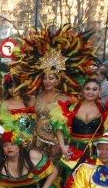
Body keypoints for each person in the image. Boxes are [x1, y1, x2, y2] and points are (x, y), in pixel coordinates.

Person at [9, 25, 97, 158]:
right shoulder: (36, 96)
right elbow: (31, 119)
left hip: (56, 144)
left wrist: (62, 144)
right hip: (36, 142)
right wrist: (22, 136)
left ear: (58, 80)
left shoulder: (65, 98)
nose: (47, 81)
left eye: (51, 78)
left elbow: (67, 124)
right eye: (45, 78)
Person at [54, 78, 107, 181]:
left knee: (92, 181)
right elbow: (58, 127)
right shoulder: (72, 107)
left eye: (94, 89)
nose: (91, 92)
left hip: (95, 151)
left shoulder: (104, 108)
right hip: (74, 149)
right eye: (88, 89)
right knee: (71, 180)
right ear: (83, 90)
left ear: (99, 91)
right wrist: (63, 146)